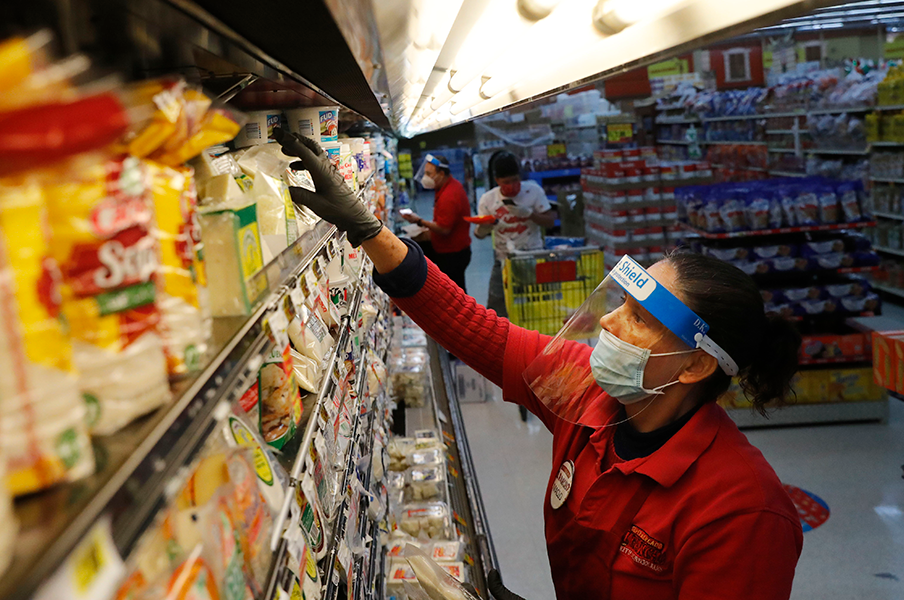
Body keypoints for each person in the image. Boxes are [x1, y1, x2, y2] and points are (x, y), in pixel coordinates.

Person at [274, 129, 804, 600]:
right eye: (619, 304)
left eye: (639, 320)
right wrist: (371, 232)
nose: (610, 324)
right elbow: (474, 327)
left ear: (693, 367)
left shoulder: (743, 511)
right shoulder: (587, 391)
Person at [475, 151, 557, 317]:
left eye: (515, 180)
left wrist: (530, 214)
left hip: (533, 256)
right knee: (496, 307)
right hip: (503, 259)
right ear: (497, 180)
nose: (511, 186)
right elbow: (478, 235)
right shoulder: (487, 200)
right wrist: (483, 228)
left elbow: (550, 220)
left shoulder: (533, 191)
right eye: (506, 182)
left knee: (537, 305)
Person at [402, 154, 472, 292]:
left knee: (455, 294)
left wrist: (419, 221)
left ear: (441, 174)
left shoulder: (449, 195)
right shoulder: (447, 187)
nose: (425, 177)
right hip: (452, 248)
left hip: (452, 253)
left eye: (429, 173)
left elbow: (444, 229)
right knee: (456, 290)